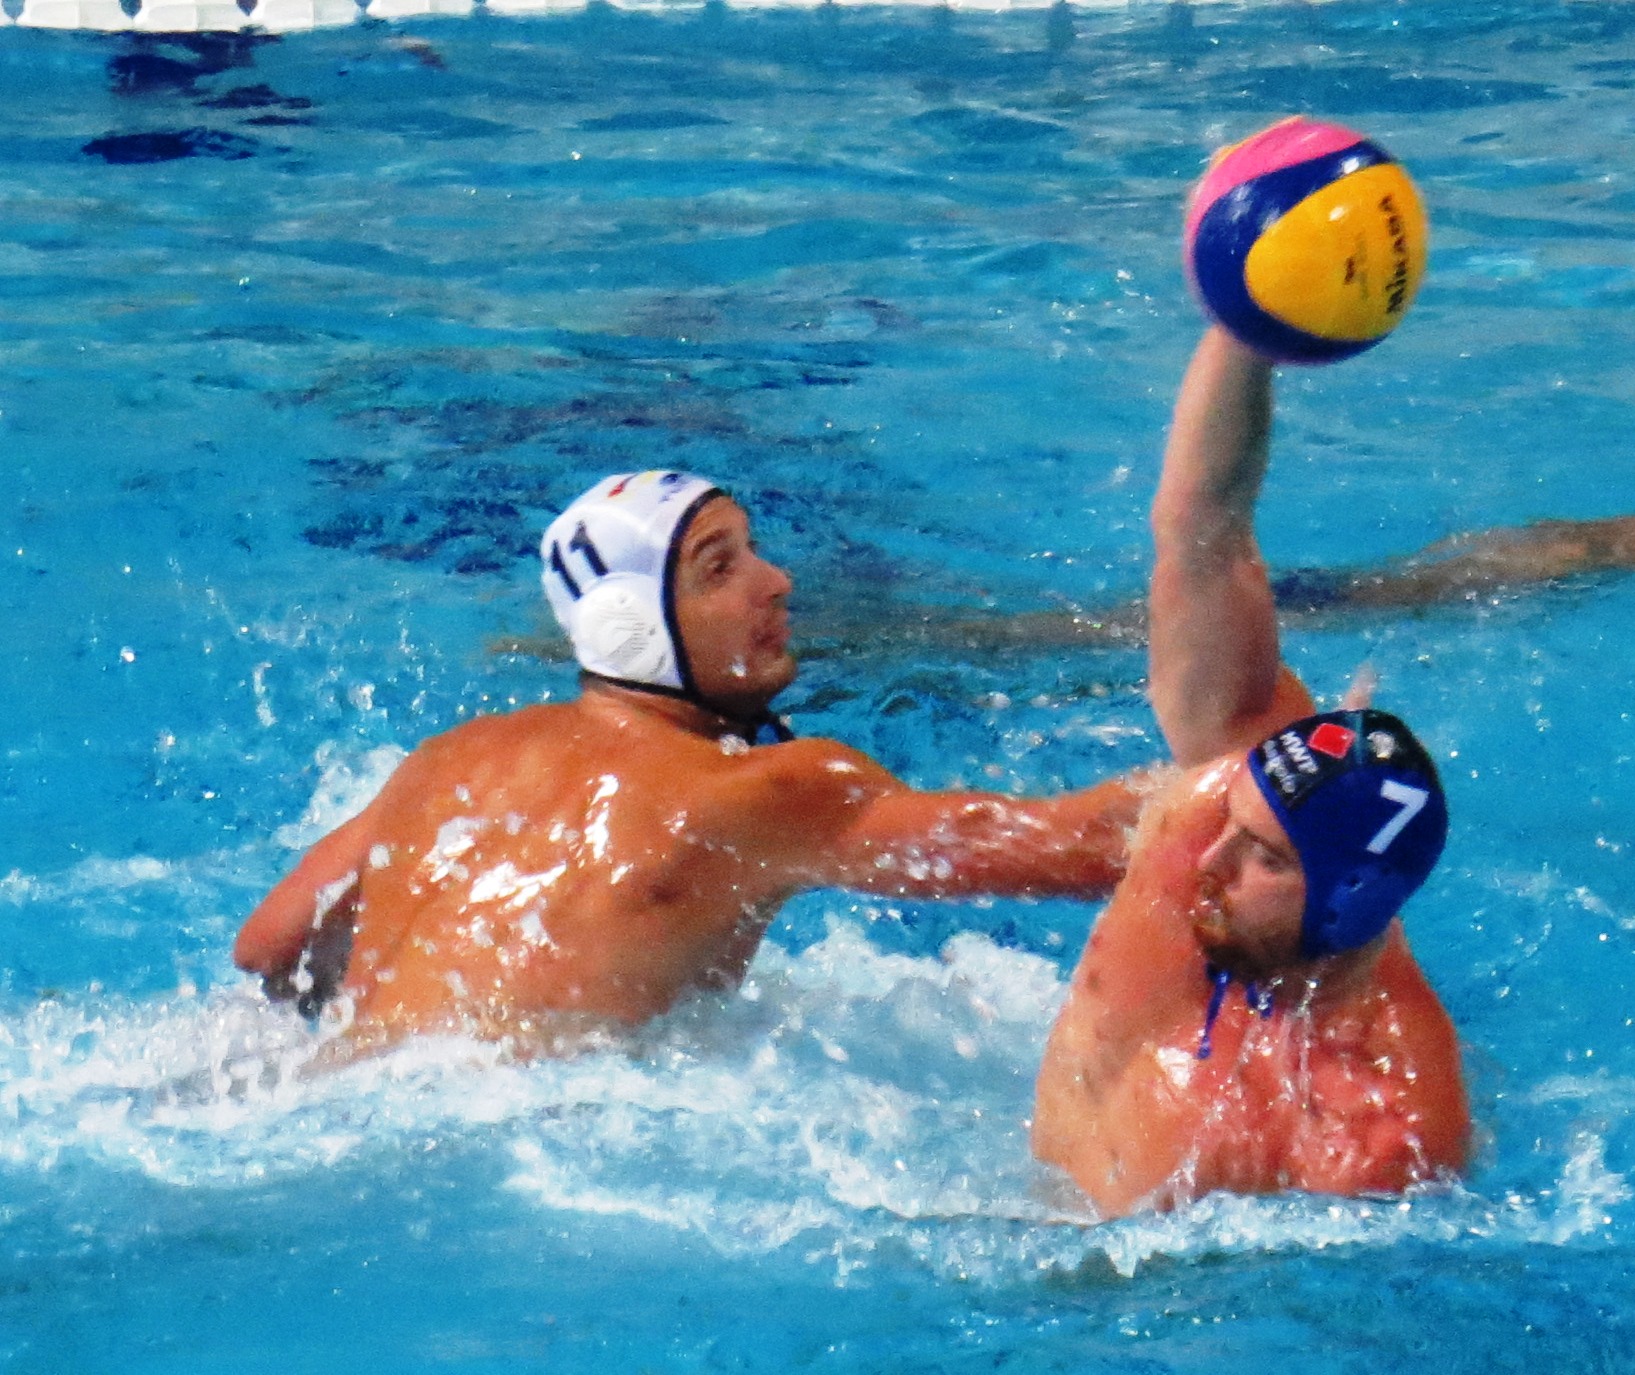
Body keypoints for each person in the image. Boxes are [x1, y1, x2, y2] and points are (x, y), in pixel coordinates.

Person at [234, 470, 1142, 1063]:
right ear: (627, 626)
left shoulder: (448, 759)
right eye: (720, 568)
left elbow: (268, 947)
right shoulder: (758, 790)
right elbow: (1089, 847)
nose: (776, 581)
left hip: (333, 1098)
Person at [1031, 327, 1470, 1217]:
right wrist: (1246, 329)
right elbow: (1204, 531)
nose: (1206, 859)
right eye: (1230, 821)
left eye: (1262, 856)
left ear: (1345, 905)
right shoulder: (1223, 787)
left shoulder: (1374, 1141)